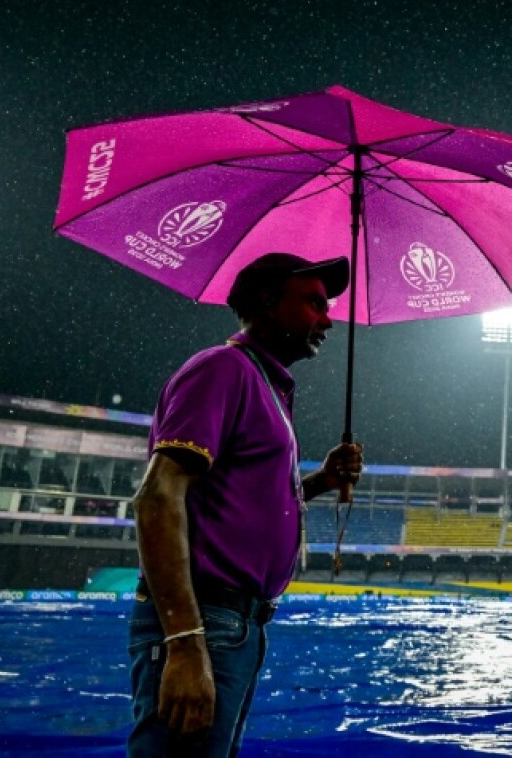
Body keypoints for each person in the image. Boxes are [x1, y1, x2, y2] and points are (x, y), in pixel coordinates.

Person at [127, 253, 364, 757]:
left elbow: (246, 499)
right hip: (207, 620)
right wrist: (187, 642)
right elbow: (157, 497)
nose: (328, 319)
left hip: (234, 626)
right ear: (266, 302)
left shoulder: (263, 384)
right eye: (314, 304)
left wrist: (321, 480)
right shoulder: (223, 370)